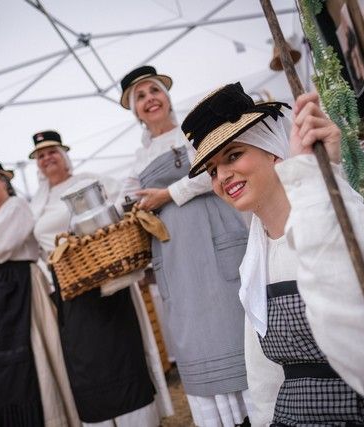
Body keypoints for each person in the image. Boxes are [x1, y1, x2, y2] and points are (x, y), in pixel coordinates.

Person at [181, 82, 364, 425]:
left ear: (273, 150)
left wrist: (319, 178)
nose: (222, 177)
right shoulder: (257, 261)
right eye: (213, 169)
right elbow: (265, 376)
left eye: (233, 155)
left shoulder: (331, 224)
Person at [118, 66, 251, 426]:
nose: (149, 99)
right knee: (196, 337)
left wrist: (169, 193)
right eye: (140, 97)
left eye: (153, 91)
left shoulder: (193, 131)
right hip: (174, 256)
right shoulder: (138, 159)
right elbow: (124, 201)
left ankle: (259, 411)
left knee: (233, 322)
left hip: (215, 237)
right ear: (135, 110)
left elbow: (218, 168)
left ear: (167, 95)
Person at [29, 130, 172, 427]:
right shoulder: (36, 203)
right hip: (69, 290)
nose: (47, 158)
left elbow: (123, 200)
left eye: (52, 151)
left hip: (106, 278)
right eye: (41, 155)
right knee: (85, 362)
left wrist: (95, 235)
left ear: (65, 154)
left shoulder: (89, 180)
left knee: (121, 353)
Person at [0, 159, 80, 426]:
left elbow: (3, 244)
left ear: (3, 181)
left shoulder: (16, 206)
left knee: (29, 352)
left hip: (17, 286)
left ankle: (44, 418)